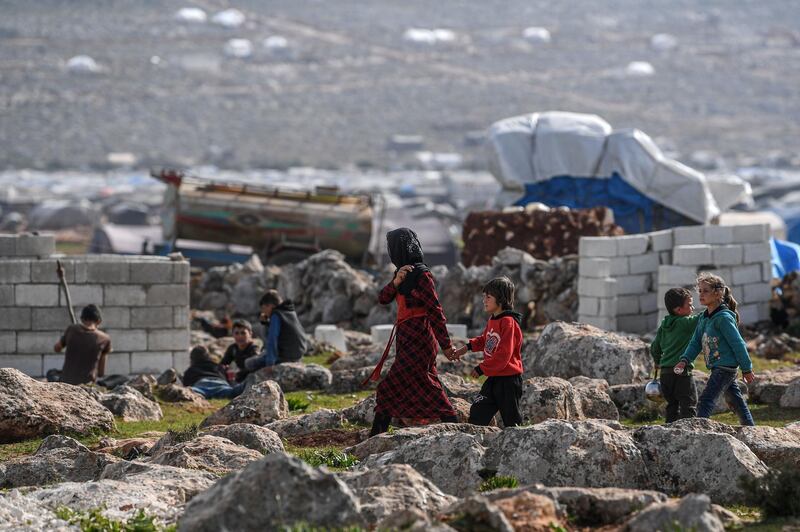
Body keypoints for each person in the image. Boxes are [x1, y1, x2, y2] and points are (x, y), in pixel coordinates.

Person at [365, 228, 458, 436]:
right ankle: (453, 423)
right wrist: (396, 282)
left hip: (420, 339)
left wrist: (446, 345)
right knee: (426, 384)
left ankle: (376, 435)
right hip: (406, 340)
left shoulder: (423, 275)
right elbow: (383, 298)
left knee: (389, 388)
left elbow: (435, 311)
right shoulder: (402, 274)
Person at [674, 272, 756, 426]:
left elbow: (738, 344)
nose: (701, 294)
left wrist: (747, 368)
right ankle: (750, 428)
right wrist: (684, 360)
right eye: (700, 291)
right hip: (718, 366)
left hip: (725, 367)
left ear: (718, 293)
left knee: (706, 400)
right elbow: (695, 342)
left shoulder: (723, 318)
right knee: (735, 400)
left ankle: (700, 430)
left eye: (705, 291)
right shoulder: (704, 317)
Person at [449, 277, 524, 427]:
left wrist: (481, 368)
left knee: (512, 420)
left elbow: (503, 355)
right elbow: (485, 340)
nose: (484, 300)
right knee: (478, 411)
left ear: (501, 299)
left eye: (488, 297)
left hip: (509, 380)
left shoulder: (509, 322)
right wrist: (465, 348)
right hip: (494, 378)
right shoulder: (493, 320)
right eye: (484, 296)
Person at [650, 287, 701, 423]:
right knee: (689, 404)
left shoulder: (664, 325)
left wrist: (657, 362)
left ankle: (670, 433)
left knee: (672, 406)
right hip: (681, 372)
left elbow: (655, 348)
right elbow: (703, 317)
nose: (693, 307)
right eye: (689, 305)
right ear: (678, 310)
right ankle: (689, 433)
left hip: (665, 374)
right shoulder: (685, 322)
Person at [244, 290, 309, 373]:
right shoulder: (290, 311)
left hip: (285, 356)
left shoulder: (276, 315)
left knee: (248, 363)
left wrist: (270, 363)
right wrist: (267, 323)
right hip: (298, 354)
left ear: (270, 306)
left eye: (263, 308)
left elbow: (272, 338)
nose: (263, 312)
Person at [53, 304, 112, 385]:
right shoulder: (105, 338)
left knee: (51, 373)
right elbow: (101, 373)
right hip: (87, 384)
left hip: (66, 382)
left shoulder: (72, 329)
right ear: (99, 321)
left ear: (82, 319)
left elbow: (57, 348)